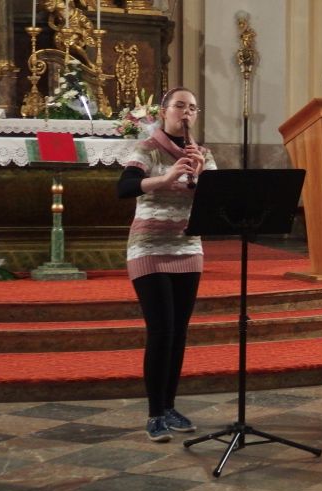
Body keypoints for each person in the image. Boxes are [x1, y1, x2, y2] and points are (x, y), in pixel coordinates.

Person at [117, 87, 217, 442]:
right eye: (179, 106)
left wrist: (201, 174)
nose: (186, 113)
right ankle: (155, 414)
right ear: (163, 111)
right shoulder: (147, 149)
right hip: (149, 248)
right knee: (161, 331)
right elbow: (125, 187)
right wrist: (168, 177)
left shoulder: (203, 153)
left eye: (192, 108)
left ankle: (170, 406)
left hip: (187, 248)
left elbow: (216, 201)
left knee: (179, 333)